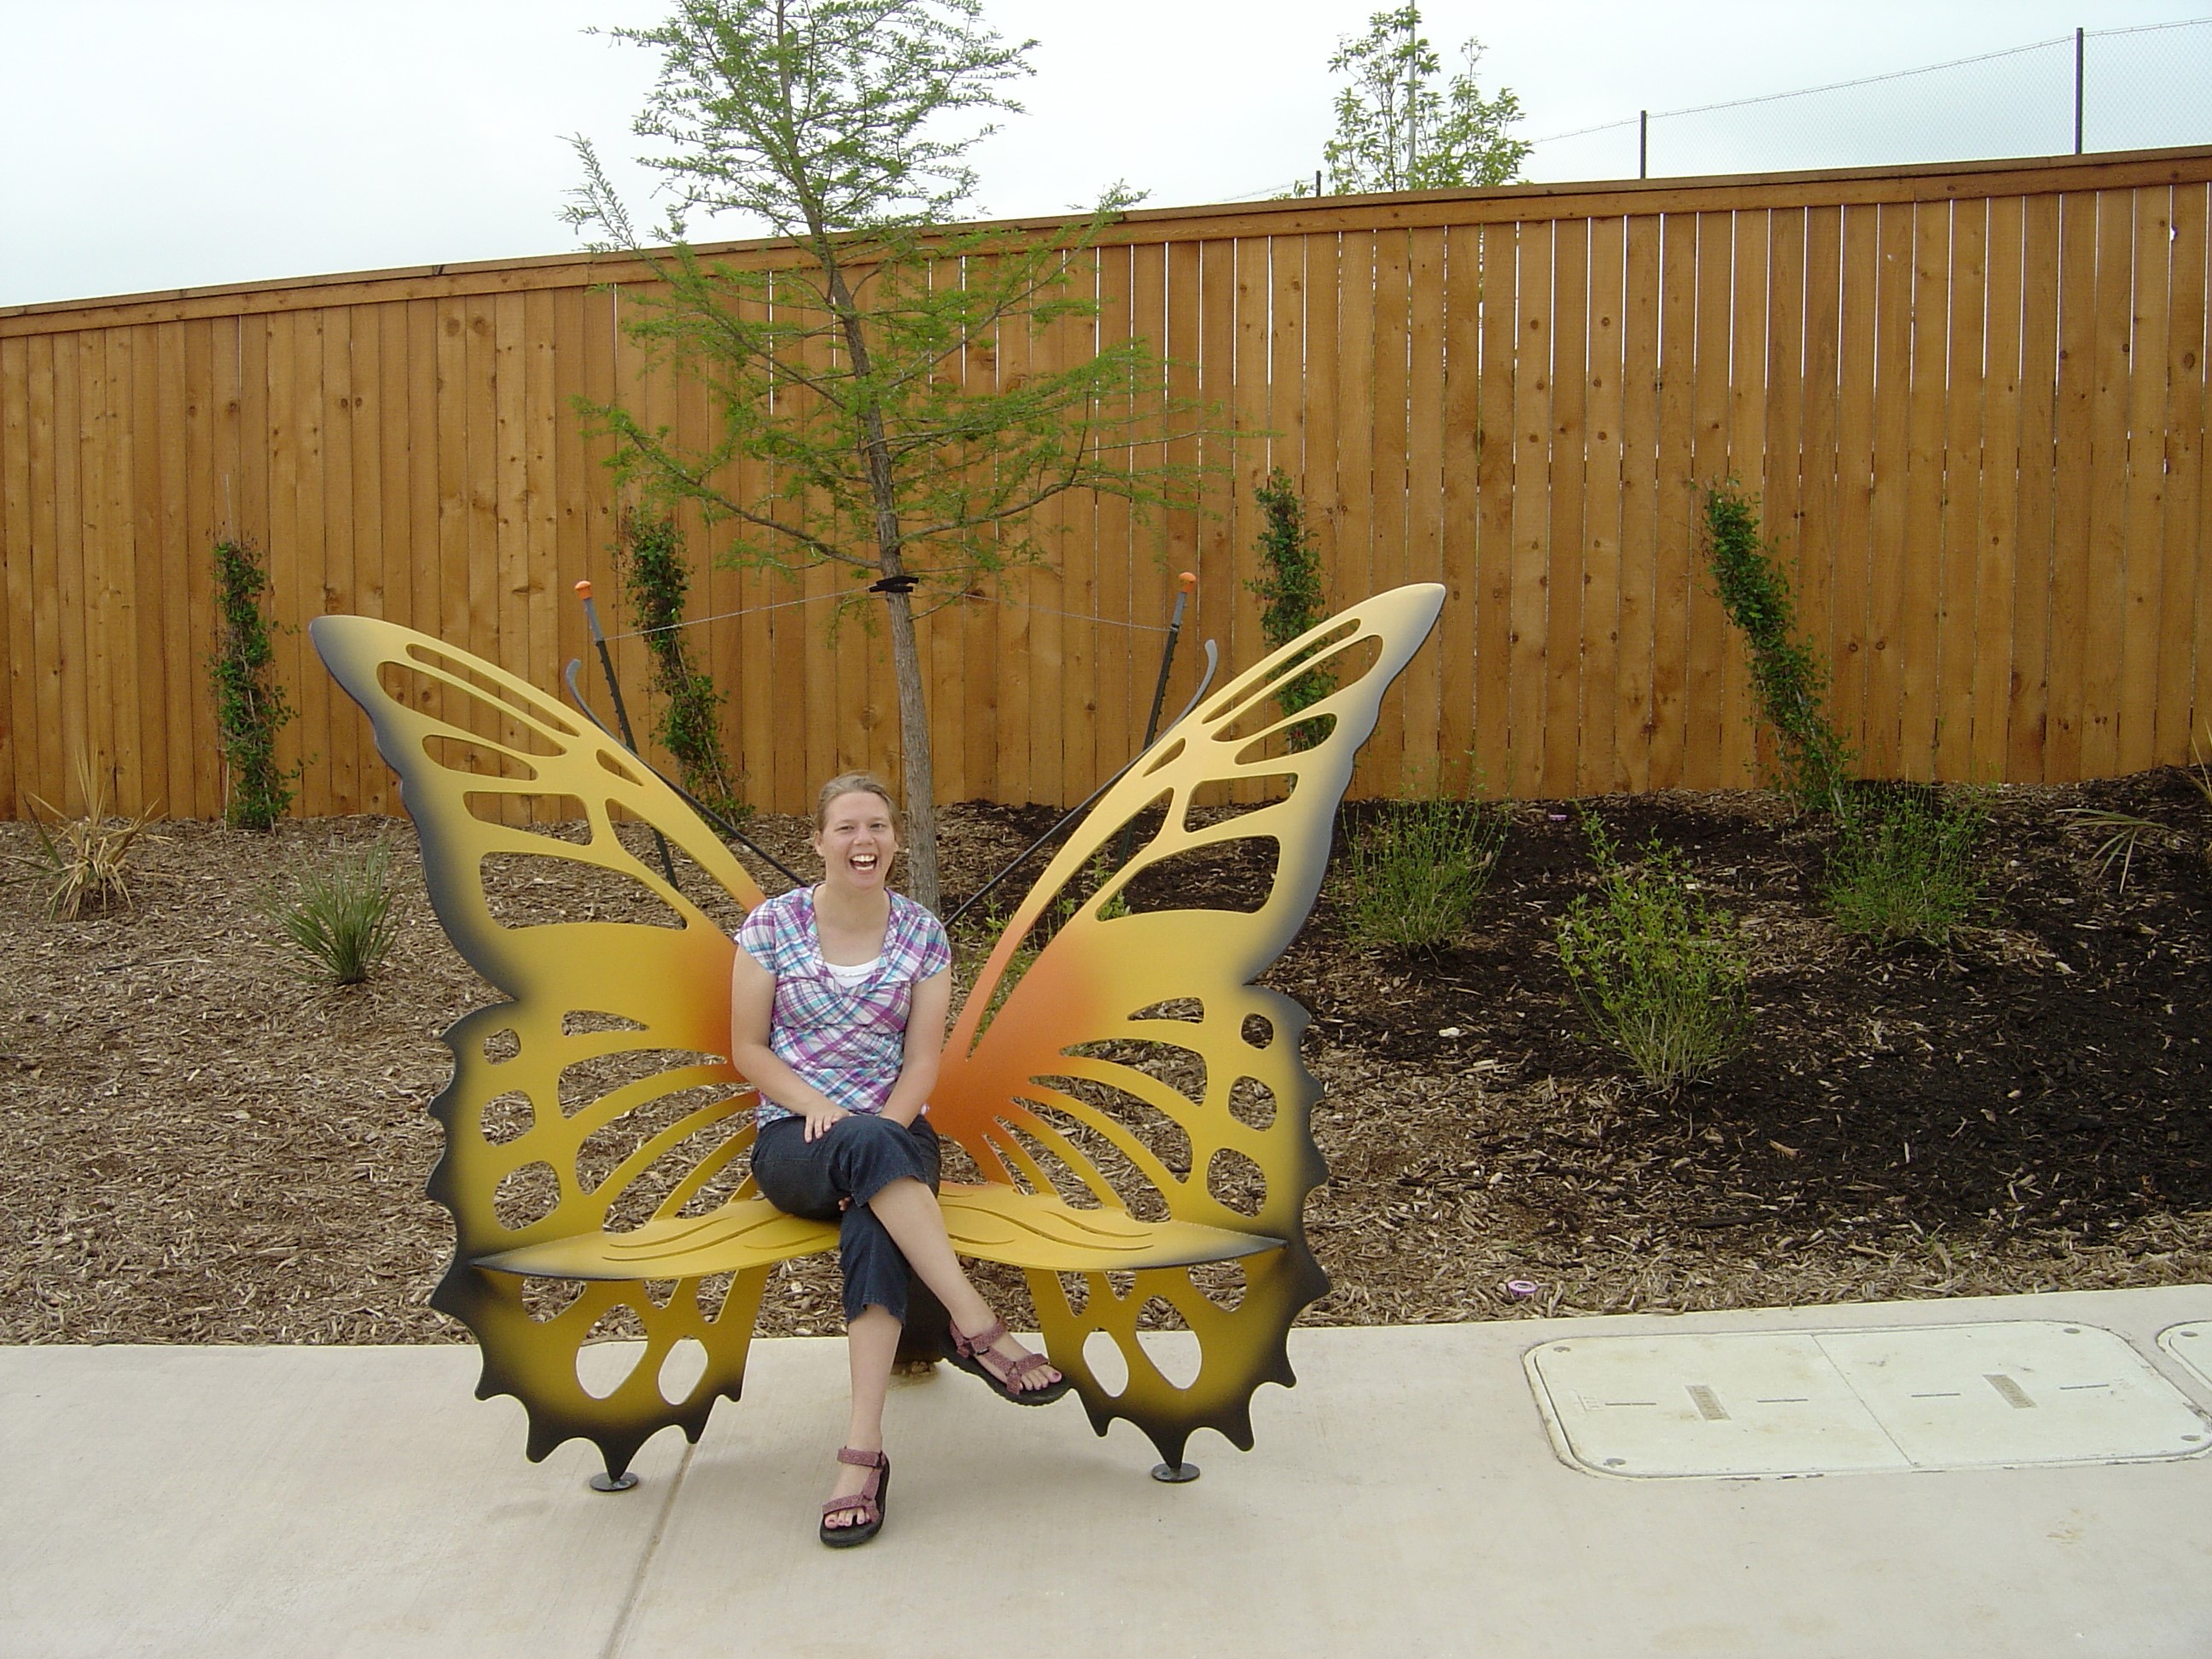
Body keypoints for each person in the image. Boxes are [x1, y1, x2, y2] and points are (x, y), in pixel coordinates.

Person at [729, 772, 1070, 1549]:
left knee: (876, 1217)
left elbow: (921, 1063)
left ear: (893, 840)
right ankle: (978, 1325)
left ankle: (862, 1455)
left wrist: (878, 1130)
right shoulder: (771, 928)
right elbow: (748, 1048)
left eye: (877, 827)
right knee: (871, 1158)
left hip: (896, 1132)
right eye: (846, 827)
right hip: (796, 1141)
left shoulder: (922, 934)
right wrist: (818, 1104)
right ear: (818, 841)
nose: (864, 841)